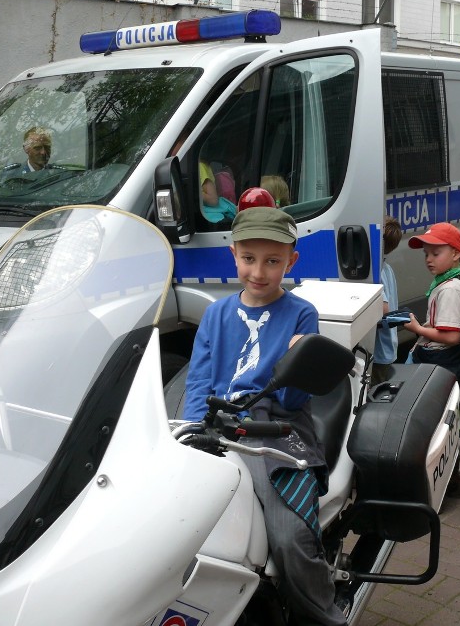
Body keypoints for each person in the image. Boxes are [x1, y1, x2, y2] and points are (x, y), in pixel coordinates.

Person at [182, 207, 348, 626]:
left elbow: (294, 397)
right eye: (249, 258)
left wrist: (297, 352)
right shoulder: (216, 314)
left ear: (290, 262)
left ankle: (325, 615)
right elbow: (199, 379)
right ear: (233, 255)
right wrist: (189, 432)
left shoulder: (301, 313)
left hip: (275, 425)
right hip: (217, 423)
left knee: (290, 538)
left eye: (273, 261)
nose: (259, 270)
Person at [404, 222, 460, 499]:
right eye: (426, 253)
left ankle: (447, 482)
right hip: (444, 359)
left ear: (456, 254)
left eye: (436, 253)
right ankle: (449, 482)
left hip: (445, 361)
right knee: (442, 423)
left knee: (440, 426)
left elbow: (449, 336)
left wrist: (417, 329)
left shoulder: (450, 289)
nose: (428, 259)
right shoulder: (450, 281)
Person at [371, 216, 402, 385]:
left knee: (372, 394)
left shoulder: (376, 273)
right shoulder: (387, 268)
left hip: (379, 352)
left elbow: (383, 309)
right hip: (389, 347)